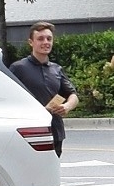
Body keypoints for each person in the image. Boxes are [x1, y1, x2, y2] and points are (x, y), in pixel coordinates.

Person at [5, 21, 81, 155]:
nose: (46, 42)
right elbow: (8, 99)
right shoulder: (18, 68)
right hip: (29, 133)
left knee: (52, 174)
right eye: (40, 39)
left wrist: (67, 106)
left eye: (49, 39)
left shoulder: (57, 69)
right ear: (31, 42)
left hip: (55, 131)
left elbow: (72, 94)